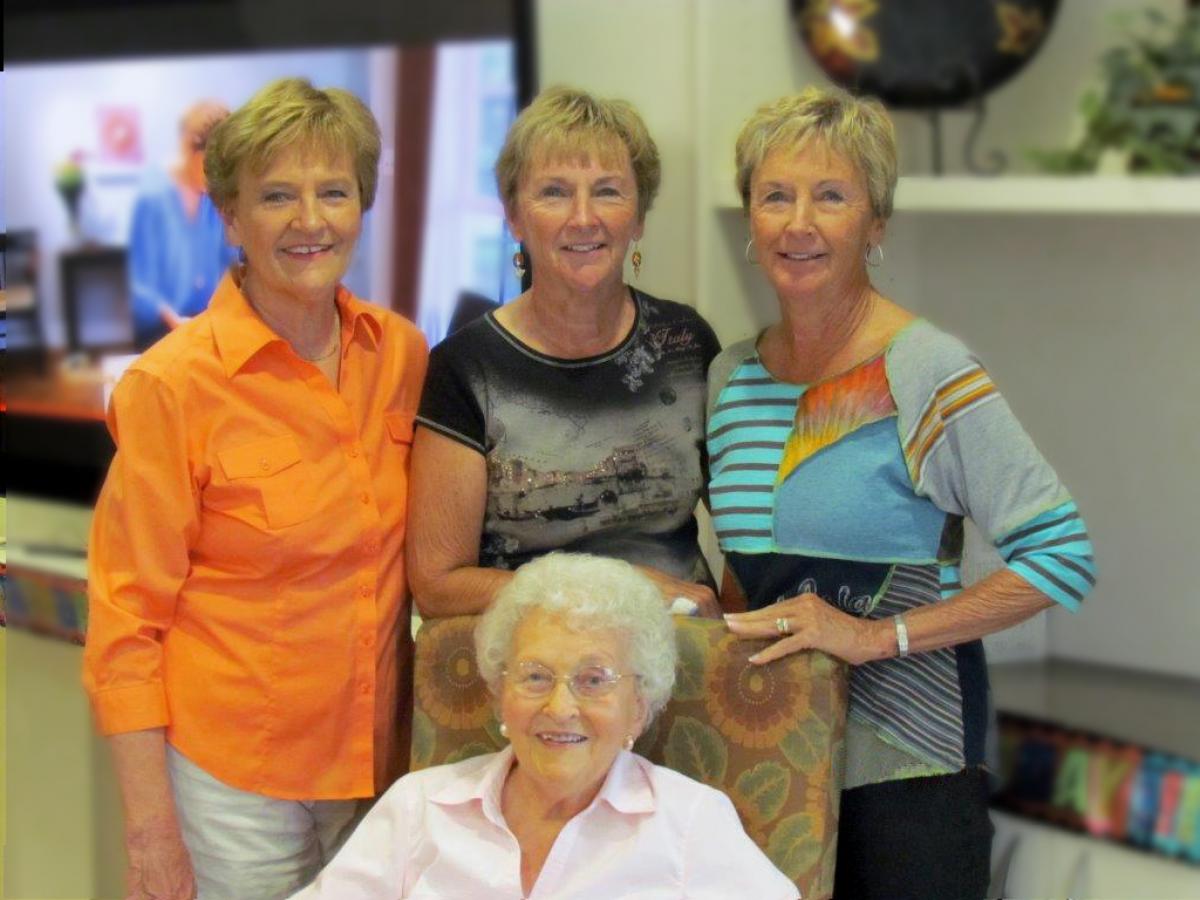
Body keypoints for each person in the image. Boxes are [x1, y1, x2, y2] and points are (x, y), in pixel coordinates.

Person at [710, 87, 1096, 899]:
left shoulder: (924, 368)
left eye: (832, 196)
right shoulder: (730, 378)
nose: (799, 222)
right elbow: (744, 580)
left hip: (908, 764)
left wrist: (871, 637)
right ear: (750, 219)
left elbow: (1062, 558)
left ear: (876, 224)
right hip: (771, 757)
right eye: (775, 196)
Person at [83, 78, 428, 900]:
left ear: (361, 204)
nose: (311, 221)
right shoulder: (171, 385)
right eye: (277, 196)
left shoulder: (403, 355)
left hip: (378, 765)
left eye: (333, 192)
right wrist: (150, 834)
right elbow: (126, 627)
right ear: (231, 218)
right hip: (234, 782)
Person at [297, 553, 798, 898]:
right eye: (535, 676)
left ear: (639, 707)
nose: (560, 707)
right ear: (499, 693)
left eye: (594, 679)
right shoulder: (420, 807)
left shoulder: (690, 822)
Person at [408, 86, 722, 620]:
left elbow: (749, 534)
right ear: (513, 216)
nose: (583, 218)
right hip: (532, 672)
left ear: (639, 216)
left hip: (681, 664)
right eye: (554, 192)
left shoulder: (685, 344)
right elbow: (439, 585)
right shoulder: (465, 368)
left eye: (607, 191)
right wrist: (616, 587)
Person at [128, 99, 239, 348]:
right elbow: (139, 283)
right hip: (160, 331)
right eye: (213, 165)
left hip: (209, 325)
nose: (218, 176)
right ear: (189, 149)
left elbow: (230, 261)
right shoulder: (153, 196)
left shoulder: (214, 198)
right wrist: (174, 320)